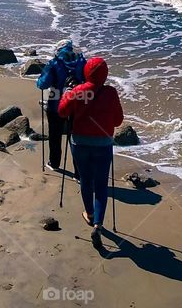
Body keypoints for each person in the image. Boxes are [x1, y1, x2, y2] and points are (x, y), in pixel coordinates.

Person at [57, 56, 124, 248]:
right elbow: (118, 121)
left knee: (86, 180)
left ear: (86, 72)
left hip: (80, 142)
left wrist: (67, 94)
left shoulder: (78, 91)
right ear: (105, 74)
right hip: (103, 144)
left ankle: (90, 213)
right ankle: (98, 225)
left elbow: (62, 112)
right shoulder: (111, 93)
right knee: (101, 185)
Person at [36, 39, 86, 173]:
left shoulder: (54, 63)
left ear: (58, 50)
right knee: (76, 138)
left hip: (56, 104)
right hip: (78, 104)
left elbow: (42, 84)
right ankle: (79, 172)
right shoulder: (81, 61)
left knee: (55, 135)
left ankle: (54, 163)